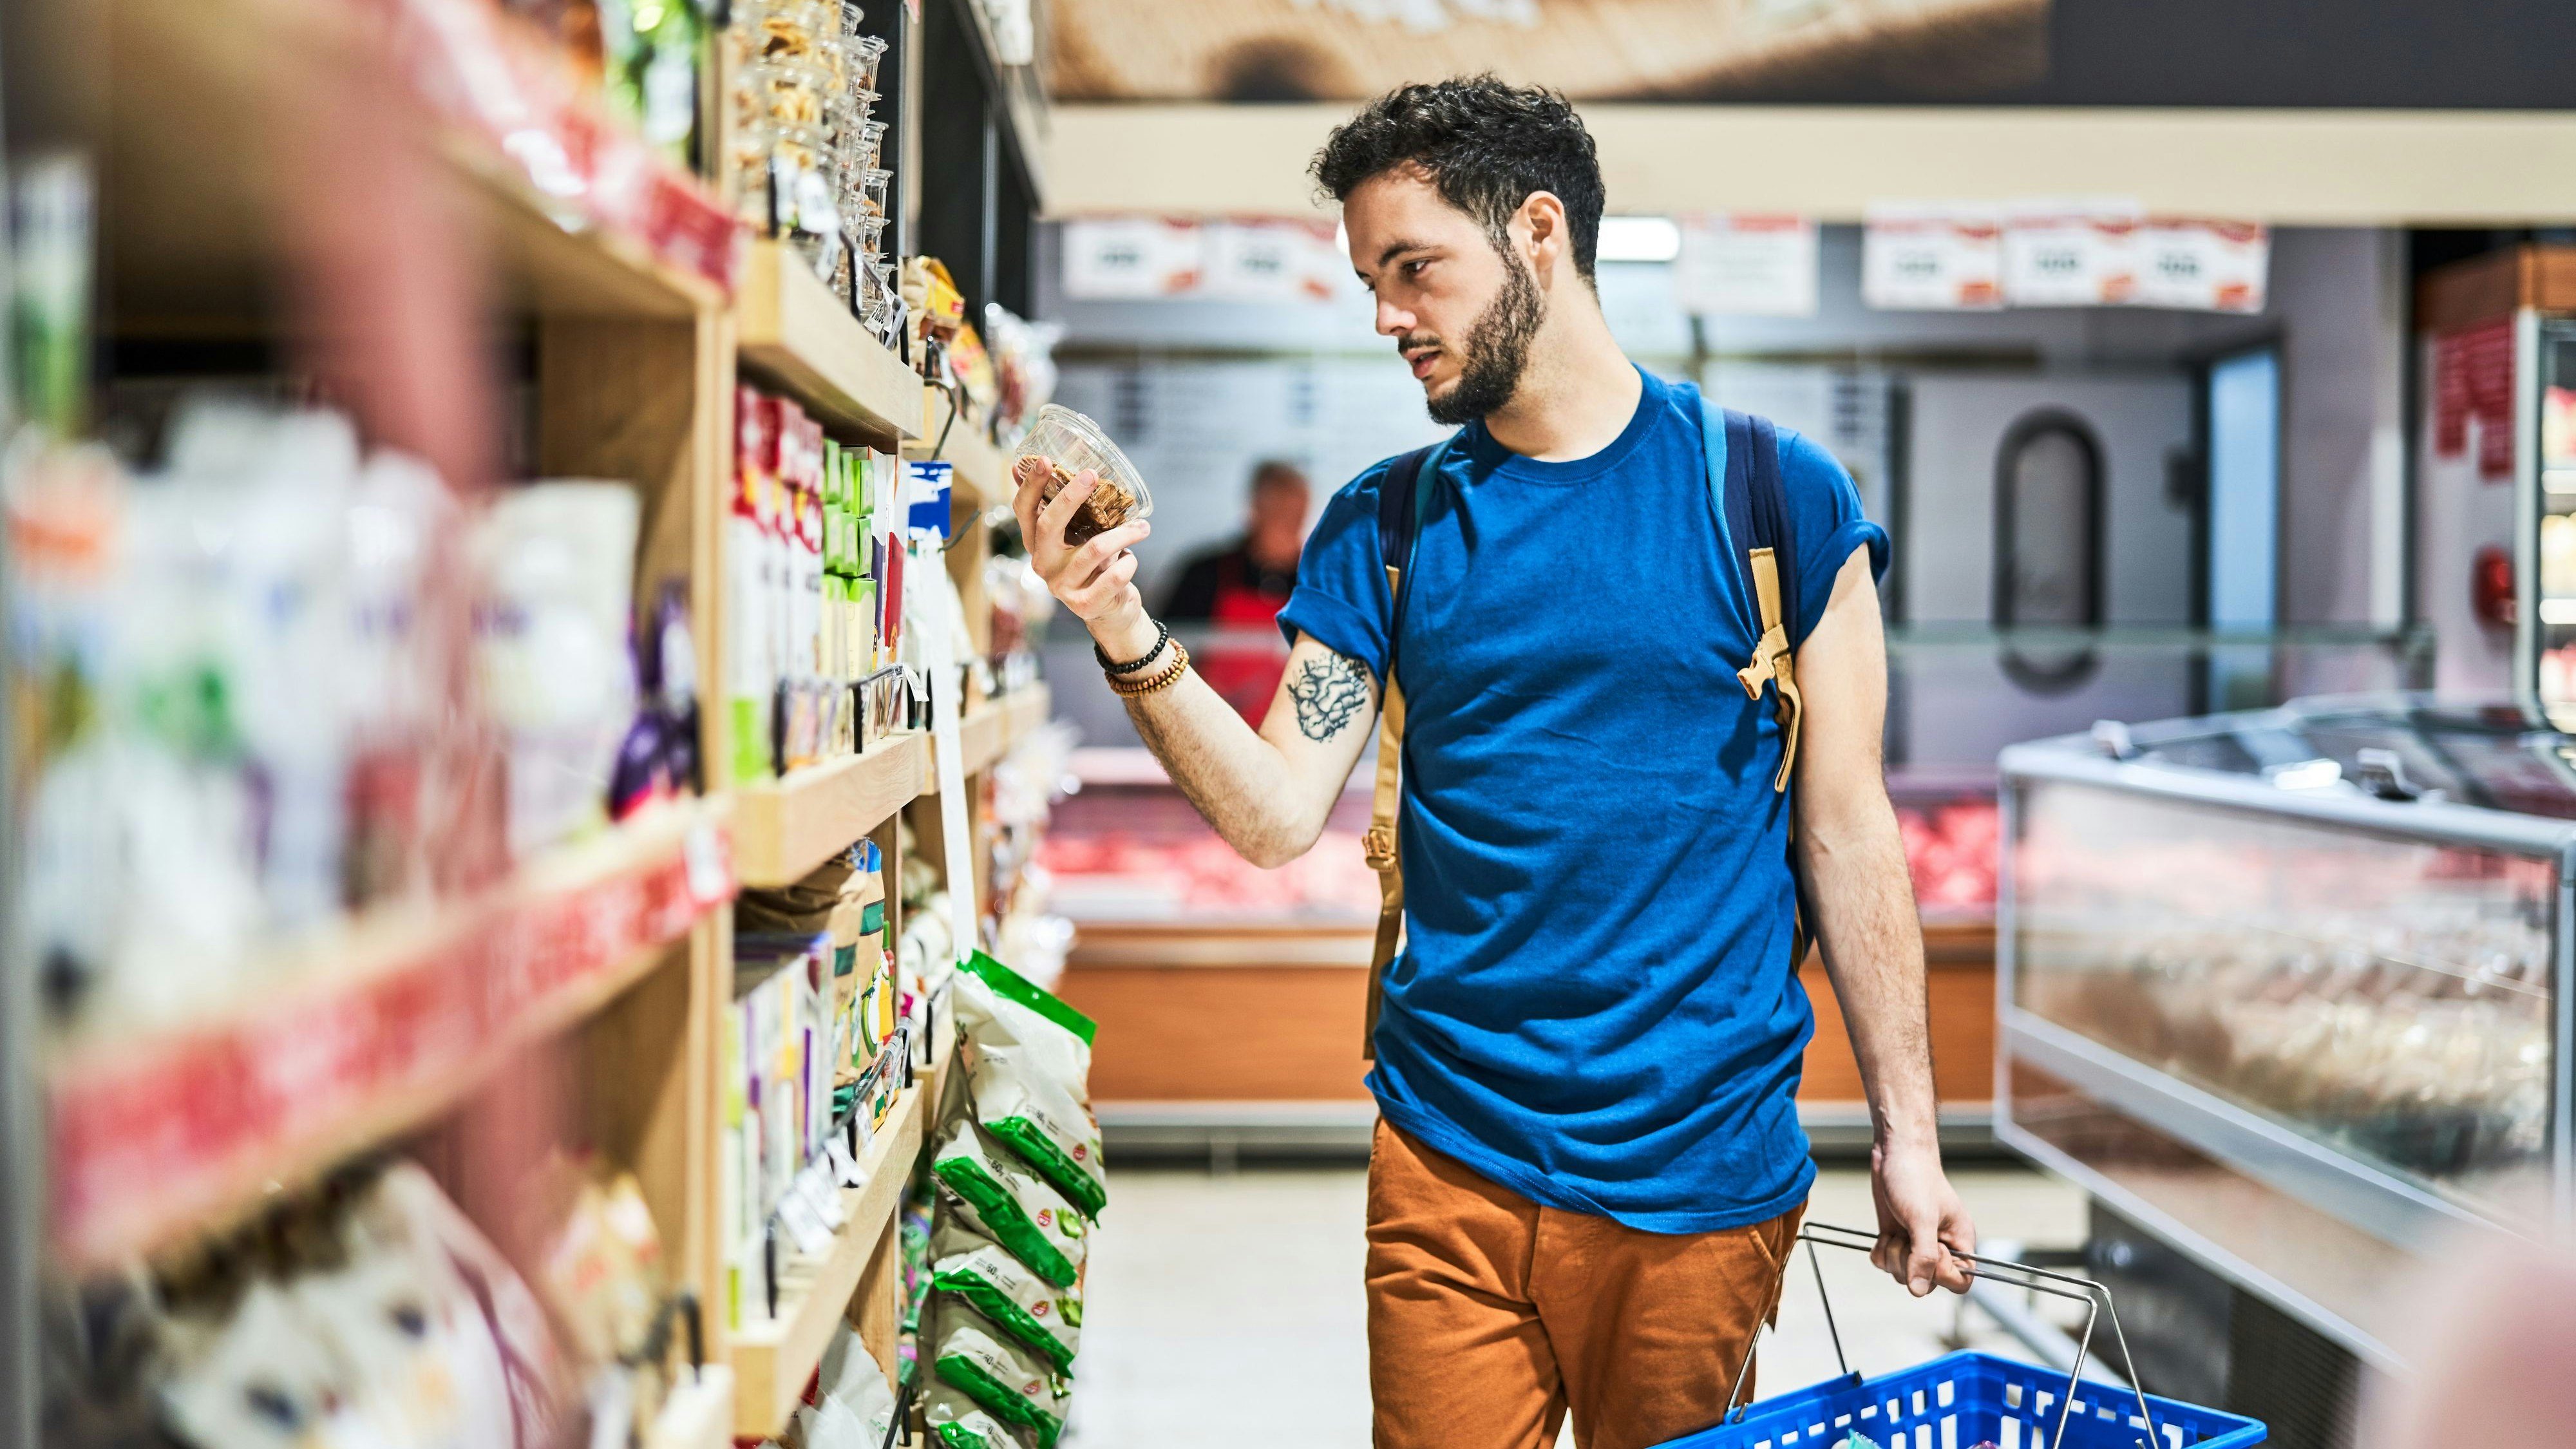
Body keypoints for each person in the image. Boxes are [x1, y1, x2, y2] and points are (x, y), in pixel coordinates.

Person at [1012, 77, 1974, 1449]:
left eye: (1414, 268)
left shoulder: (1774, 497)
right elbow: (1281, 811)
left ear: (1536, 232)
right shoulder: (1384, 525)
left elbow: (1844, 834)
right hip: (1442, 1162)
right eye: (1368, 279)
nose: (1385, 315)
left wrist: (1909, 1135)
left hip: (1697, 1173)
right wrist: (1117, 622)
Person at [1159, 459, 1314, 628]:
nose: (1288, 528)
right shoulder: (1205, 574)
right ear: (1255, 510)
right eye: (1280, 514)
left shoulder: (1316, 584)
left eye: (1296, 518)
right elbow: (1171, 639)